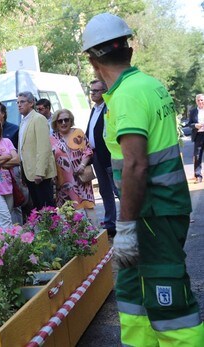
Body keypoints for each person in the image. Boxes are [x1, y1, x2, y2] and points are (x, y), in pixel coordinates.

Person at [82, 12, 204, 344]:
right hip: (157, 210)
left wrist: (124, 227)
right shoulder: (149, 85)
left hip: (153, 212)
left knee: (168, 298)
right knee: (132, 287)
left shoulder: (128, 95)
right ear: (130, 50)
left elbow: (136, 165)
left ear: (93, 61)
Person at [50, 109, 97, 225]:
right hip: (63, 182)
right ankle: (75, 239)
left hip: (81, 177)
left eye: (66, 120)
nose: (63, 123)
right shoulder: (51, 138)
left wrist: (82, 165)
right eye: (60, 121)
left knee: (88, 206)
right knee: (67, 211)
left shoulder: (78, 133)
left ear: (71, 121)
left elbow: (88, 150)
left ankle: (96, 235)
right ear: (55, 123)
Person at [86, 79, 118, 237]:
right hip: (96, 155)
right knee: (105, 191)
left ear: (104, 92)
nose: (92, 93)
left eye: (96, 91)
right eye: (91, 91)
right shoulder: (94, 109)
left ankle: (130, 221)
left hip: (109, 155)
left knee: (117, 189)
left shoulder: (108, 108)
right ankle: (110, 222)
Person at [17, 91, 57, 209]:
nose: (19, 105)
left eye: (22, 102)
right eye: (18, 102)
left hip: (39, 174)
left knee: (47, 208)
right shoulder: (24, 122)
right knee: (38, 209)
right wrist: (23, 173)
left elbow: (43, 147)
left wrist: (40, 172)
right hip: (28, 172)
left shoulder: (38, 119)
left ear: (31, 103)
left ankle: (51, 228)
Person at [0, 101, 24, 224]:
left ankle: (18, 233)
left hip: (13, 173)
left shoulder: (14, 129)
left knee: (15, 205)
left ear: (3, 114)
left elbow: (17, 158)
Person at [188, 94, 204, 183]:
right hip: (198, 136)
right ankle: (198, 176)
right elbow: (189, 124)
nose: (200, 102)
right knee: (197, 156)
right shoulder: (193, 111)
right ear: (196, 101)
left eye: (202, 100)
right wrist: (195, 125)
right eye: (198, 100)